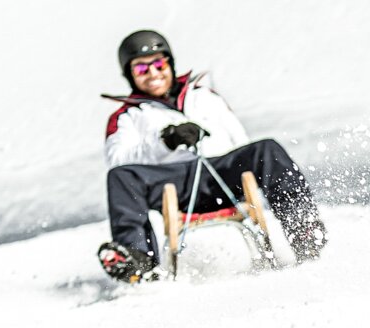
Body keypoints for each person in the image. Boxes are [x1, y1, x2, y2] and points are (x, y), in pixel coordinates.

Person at [94, 30, 327, 282]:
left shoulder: (204, 97)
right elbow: (117, 160)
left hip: (222, 174)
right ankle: (137, 262)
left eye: (159, 64)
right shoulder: (127, 116)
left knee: (266, 150)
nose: (153, 74)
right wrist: (165, 141)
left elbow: (240, 140)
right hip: (174, 184)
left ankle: (303, 229)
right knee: (121, 177)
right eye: (141, 69)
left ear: (169, 64)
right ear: (130, 75)